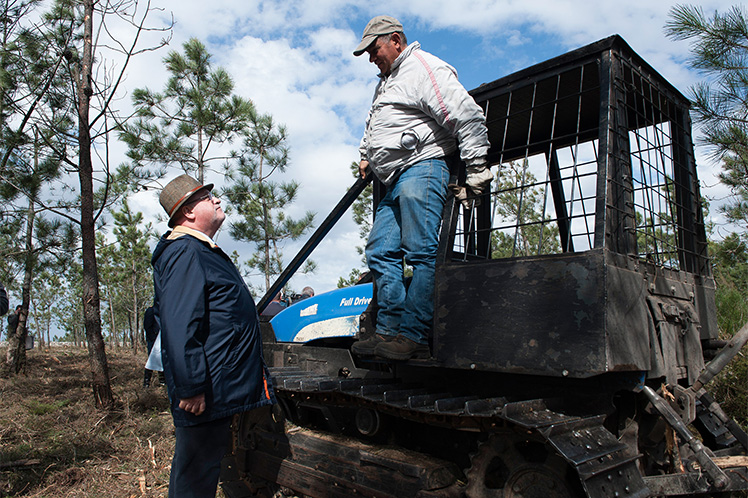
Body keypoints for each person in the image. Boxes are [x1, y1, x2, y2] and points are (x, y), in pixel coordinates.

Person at [351, 16, 492, 360]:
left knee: (421, 253)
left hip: (422, 167)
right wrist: (367, 155)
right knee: (381, 252)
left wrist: (476, 169)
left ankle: (412, 336)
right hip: (393, 178)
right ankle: (387, 331)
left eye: (375, 49)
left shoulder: (423, 68)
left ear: (395, 40)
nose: (372, 57)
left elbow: (467, 114)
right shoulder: (387, 81)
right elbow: (379, 122)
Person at [151, 174, 275, 498]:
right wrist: (191, 387)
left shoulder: (198, 250)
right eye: (208, 198)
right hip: (204, 389)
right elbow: (180, 325)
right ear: (189, 212)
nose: (217, 200)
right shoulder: (185, 251)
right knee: (195, 478)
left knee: (199, 472)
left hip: (214, 385)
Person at [142, 306, 160, 387]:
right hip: (153, 340)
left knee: (162, 360)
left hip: (162, 340)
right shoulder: (151, 310)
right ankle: (146, 382)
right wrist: (153, 338)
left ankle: (162, 380)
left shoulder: (164, 311)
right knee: (151, 360)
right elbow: (147, 326)